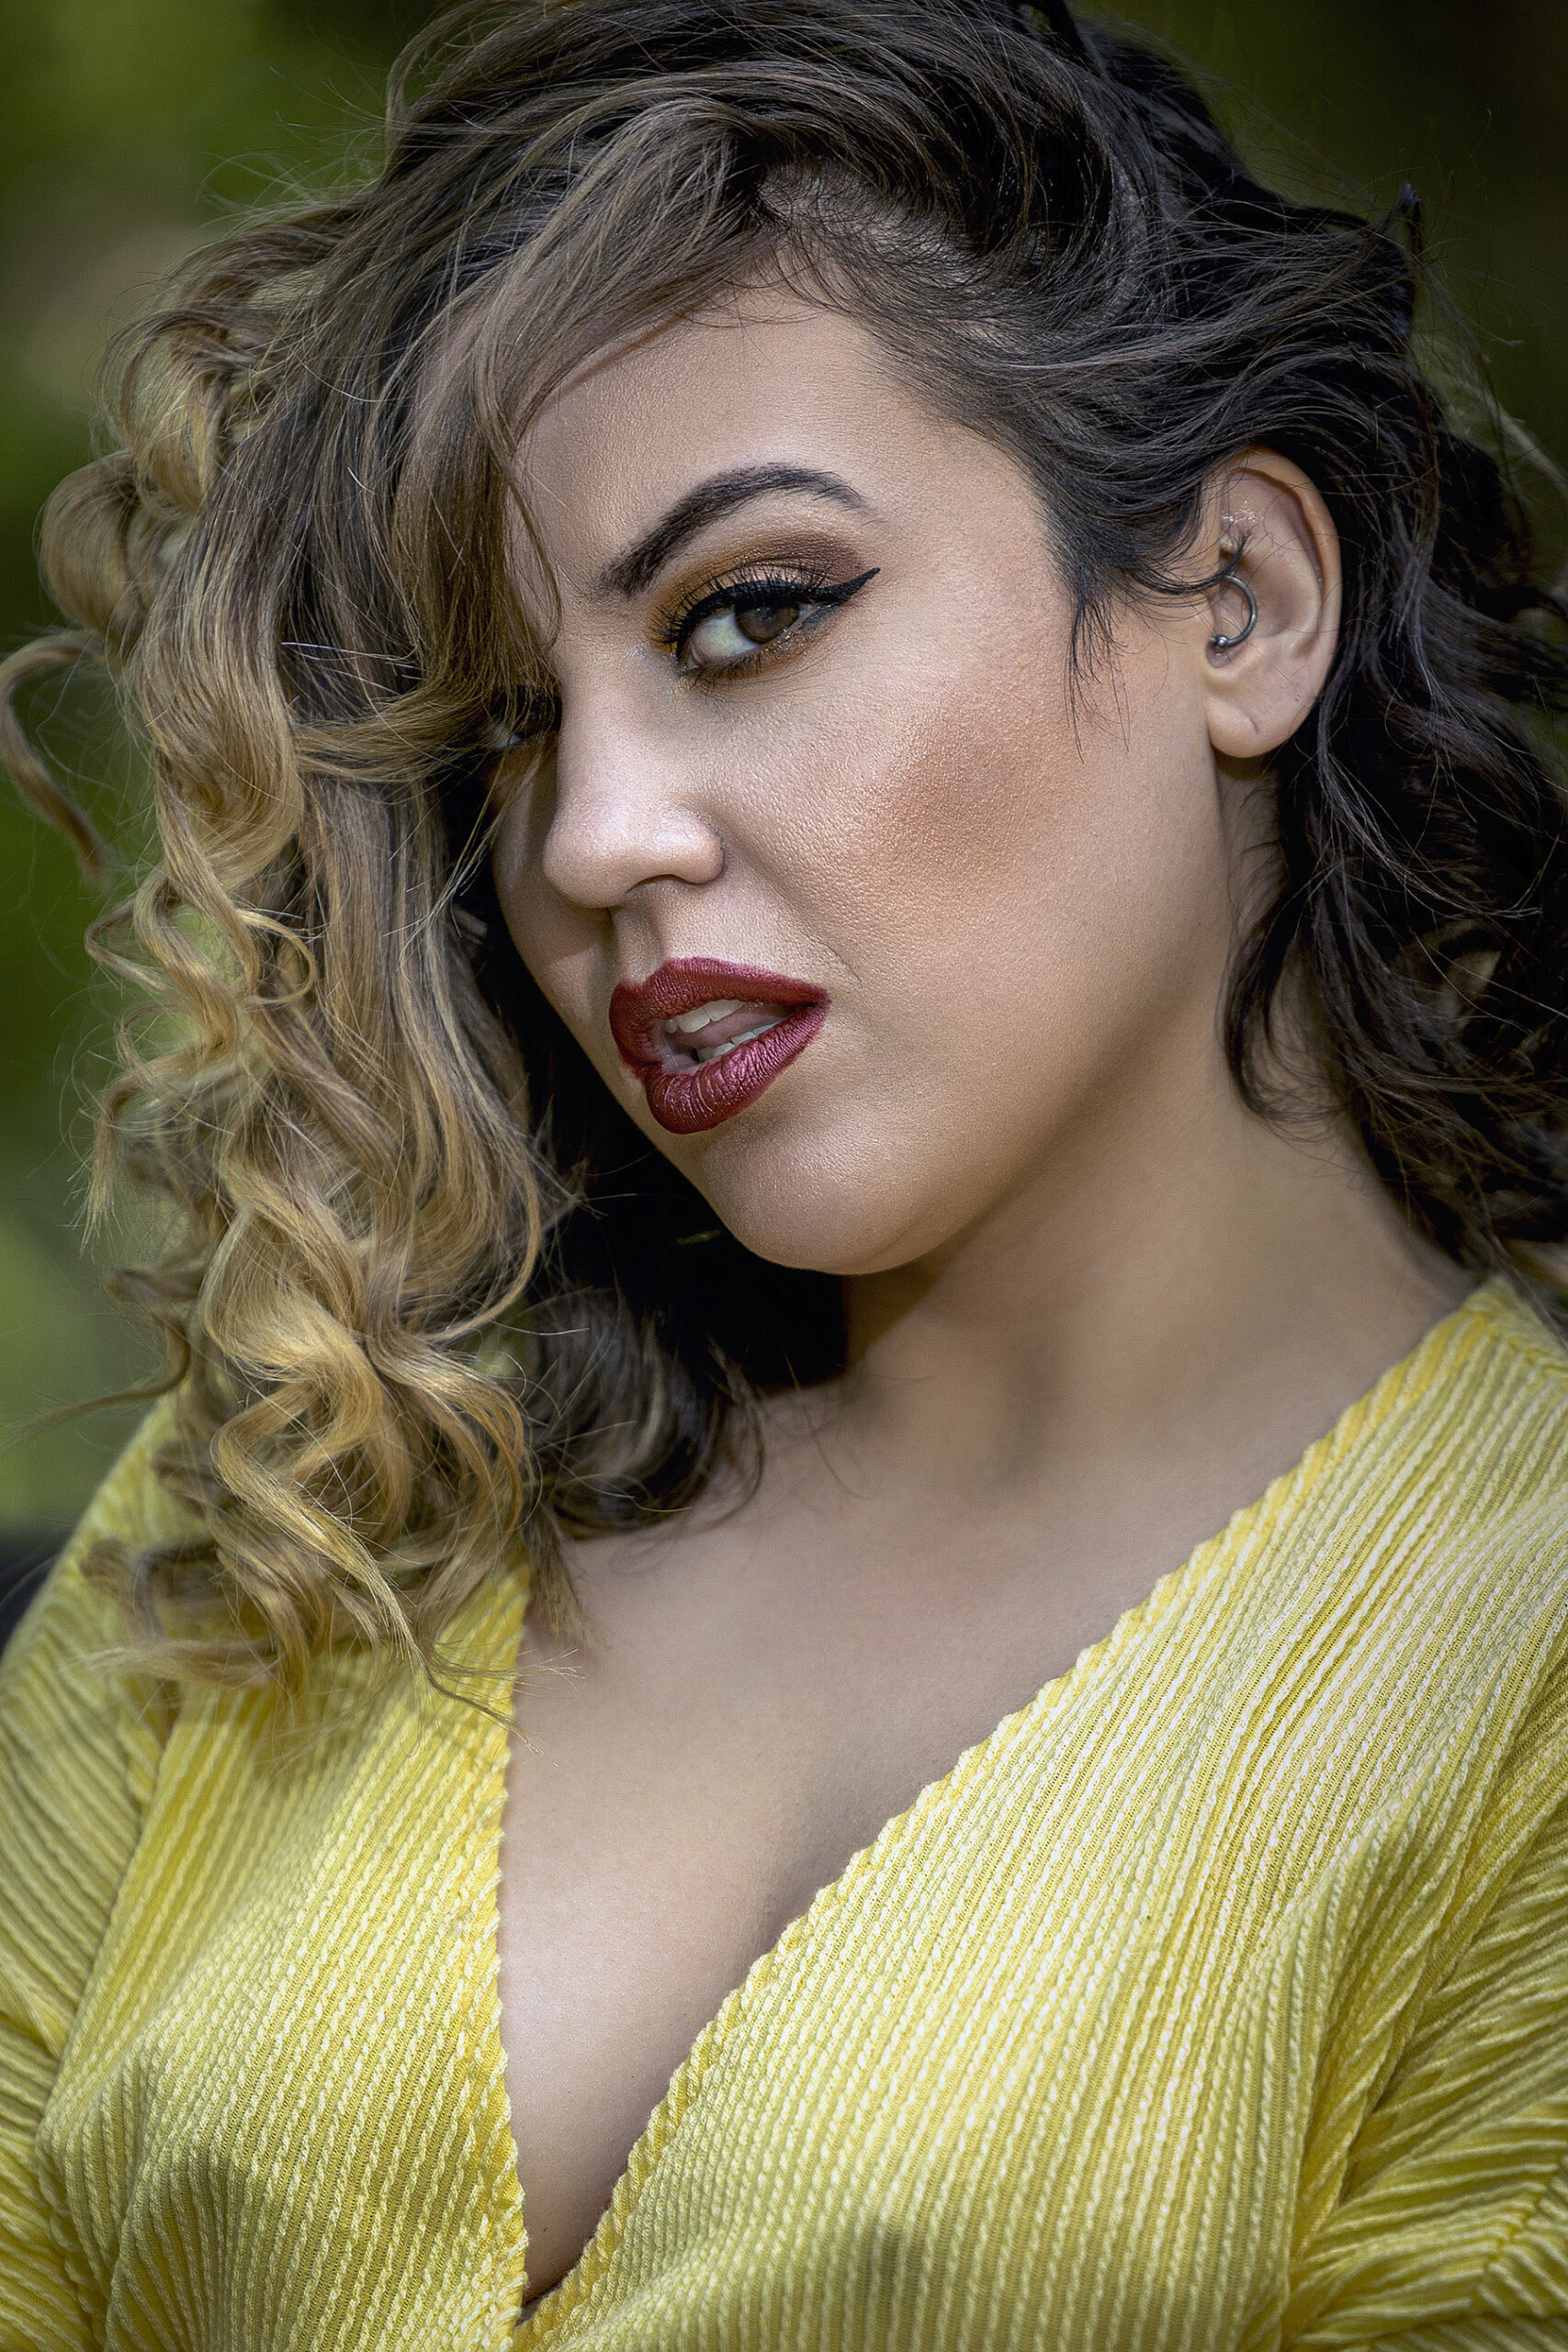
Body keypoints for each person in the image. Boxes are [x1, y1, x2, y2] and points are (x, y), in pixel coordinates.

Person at [4, 0, 1568, 2343]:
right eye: (511, 727)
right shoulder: (324, 1498)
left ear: (1235, 597)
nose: (593, 837)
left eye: (749, 616)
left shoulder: (1518, 1672)